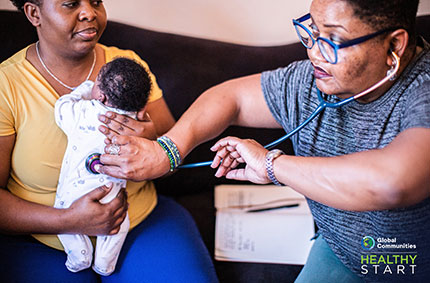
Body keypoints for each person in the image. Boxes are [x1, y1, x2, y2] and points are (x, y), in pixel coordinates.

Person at [97, 0, 430, 282]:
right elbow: (231, 98)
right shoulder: (311, 80)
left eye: (332, 39)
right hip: (340, 251)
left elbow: (393, 183)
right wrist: (168, 149)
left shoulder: (424, 90)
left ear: (394, 45)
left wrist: (272, 164)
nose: (314, 51)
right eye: (312, 31)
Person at [0, 0, 218, 282]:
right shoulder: (7, 86)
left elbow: (175, 154)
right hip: (42, 239)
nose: (89, 12)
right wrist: (68, 220)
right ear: (34, 13)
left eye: (96, 2)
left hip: (138, 221)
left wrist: (151, 140)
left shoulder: (127, 67)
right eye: (70, 4)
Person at [54, 57, 152, 275]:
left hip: (75, 192)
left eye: (96, 80)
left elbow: (61, 108)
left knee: (62, 210)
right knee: (119, 225)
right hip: (112, 193)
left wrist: (83, 90)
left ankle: (79, 254)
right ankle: (105, 263)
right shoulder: (135, 123)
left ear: (101, 96)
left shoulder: (83, 113)